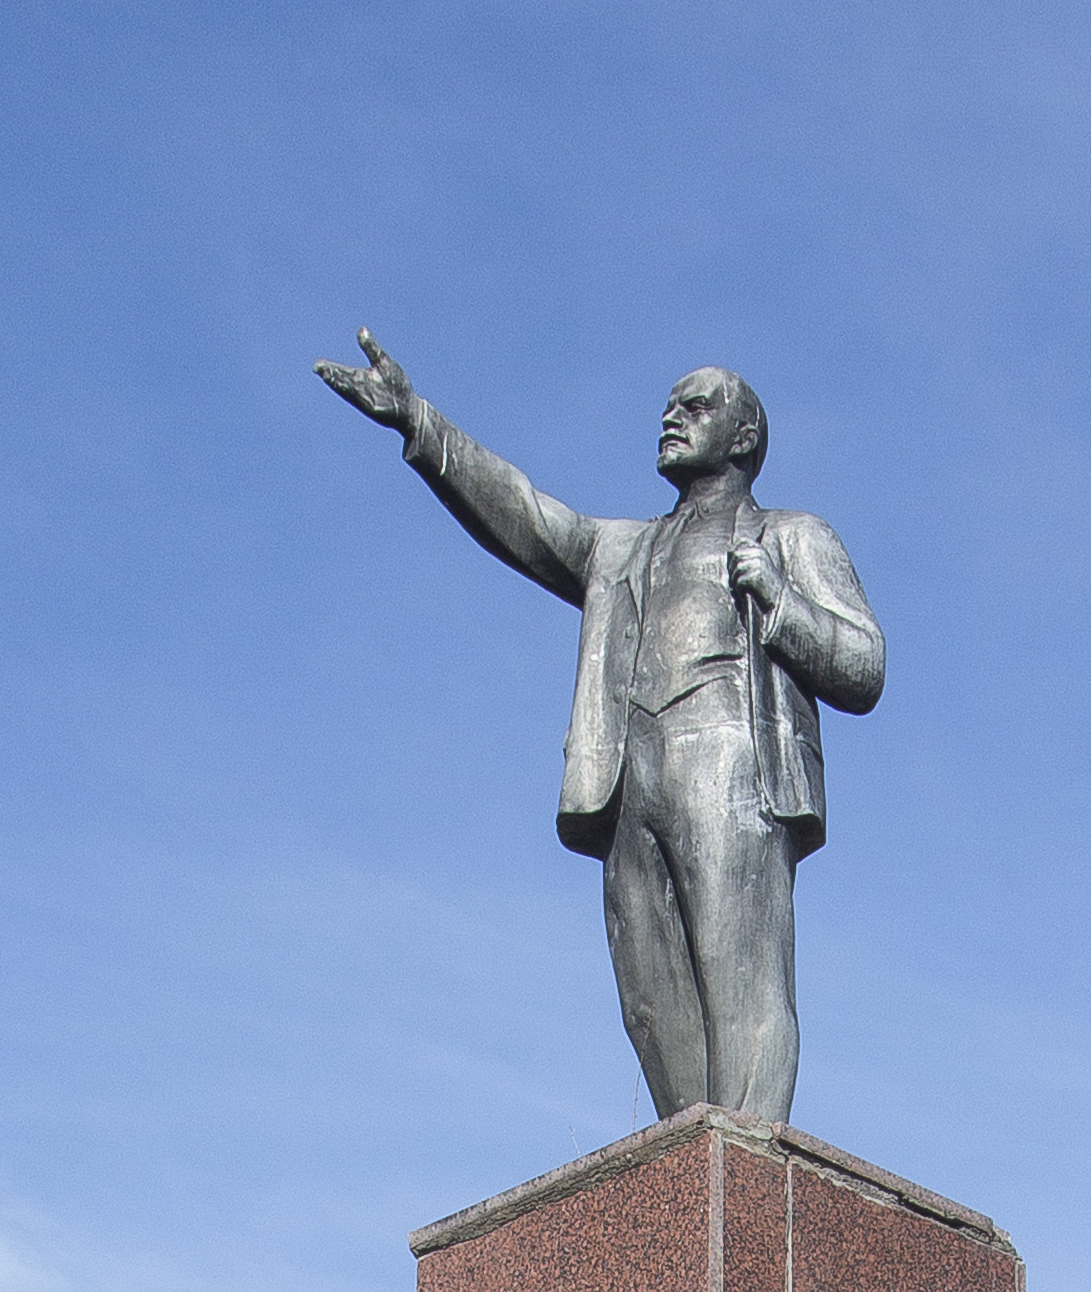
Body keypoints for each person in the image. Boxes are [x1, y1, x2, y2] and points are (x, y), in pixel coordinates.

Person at [315, 336, 886, 1132]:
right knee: (650, 1002)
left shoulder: (792, 536)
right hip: (628, 778)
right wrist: (419, 422)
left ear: (745, 437)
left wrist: (782, 602)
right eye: (668, 405)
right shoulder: (620, 548)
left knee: (741, 980)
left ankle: (748, 1167)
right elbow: (523, 513)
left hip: (731, 763)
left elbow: (864, 664)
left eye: (695, 406)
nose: (670, 417)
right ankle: (692, 1169)